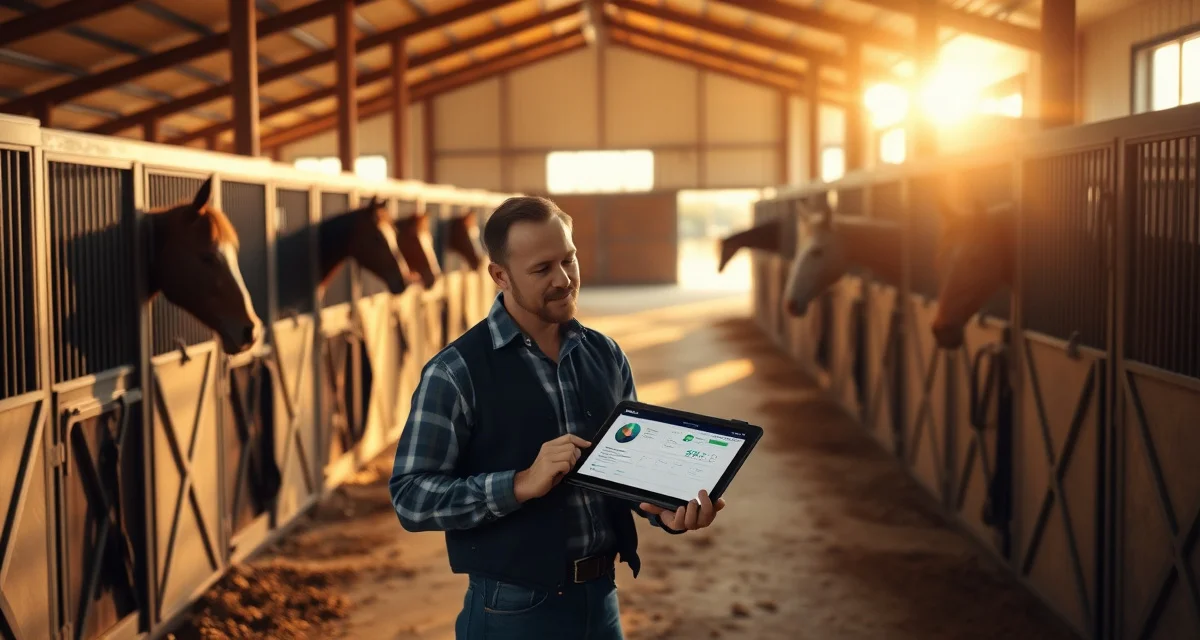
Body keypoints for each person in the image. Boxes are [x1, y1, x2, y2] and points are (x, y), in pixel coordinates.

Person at [389, 196, 726, 639]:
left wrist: (663, 509)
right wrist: (519, 484)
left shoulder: (606, 355)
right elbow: (411, 497)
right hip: (512, 611)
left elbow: (626, 471)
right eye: (542, 269)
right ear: (499, 275)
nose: (564, 279)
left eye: (569, 259)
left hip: (602, 599)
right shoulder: (455, 373)